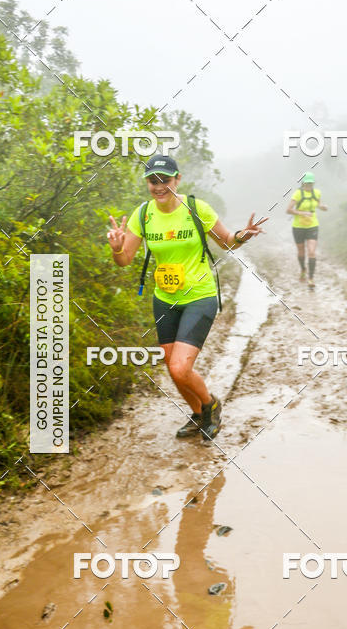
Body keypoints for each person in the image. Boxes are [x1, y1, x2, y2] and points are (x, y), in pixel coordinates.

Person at [107, 154, 267, 441]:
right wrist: (117, 248)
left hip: (199, 296)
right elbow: (124, 260)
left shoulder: (196, 208)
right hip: (164, 299)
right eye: (152, 181)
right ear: (147, 183)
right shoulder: (143, 214)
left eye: (165, 179)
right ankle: (198, 414)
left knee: (181, 367)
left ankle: (211, 406)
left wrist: (242, 235)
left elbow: (226, 242)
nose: (159, 186)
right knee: (172, 368)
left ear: (177, 179)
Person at [286, 172, 327, 288]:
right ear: (303, 183)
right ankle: (303, 269)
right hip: (298, 227)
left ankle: (311, 278)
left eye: (311, 183)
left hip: (312, 226)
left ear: (313, 183)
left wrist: (323, 207)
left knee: (312, 251)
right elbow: (288, 210)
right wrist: (302, 213)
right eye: (307, 183)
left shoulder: (317, 193)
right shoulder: (298, 194)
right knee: (301, 251)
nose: (309, 185)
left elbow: (319, 205)